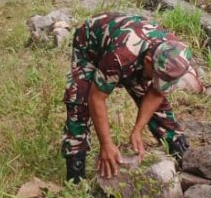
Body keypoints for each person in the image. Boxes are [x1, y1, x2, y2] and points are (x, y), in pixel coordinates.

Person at [61, 12, 202, 182]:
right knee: (79, 101)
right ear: (149, 62)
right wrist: (106, 144)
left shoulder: (175, 54)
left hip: (133, 51)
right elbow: (96, 98)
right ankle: (75, 176)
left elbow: (157, 92)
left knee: (159, 109)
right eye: (157, 76)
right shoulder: (120, 57)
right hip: (90, 44)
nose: (159, 82)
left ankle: (183, 156)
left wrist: (137, 129)